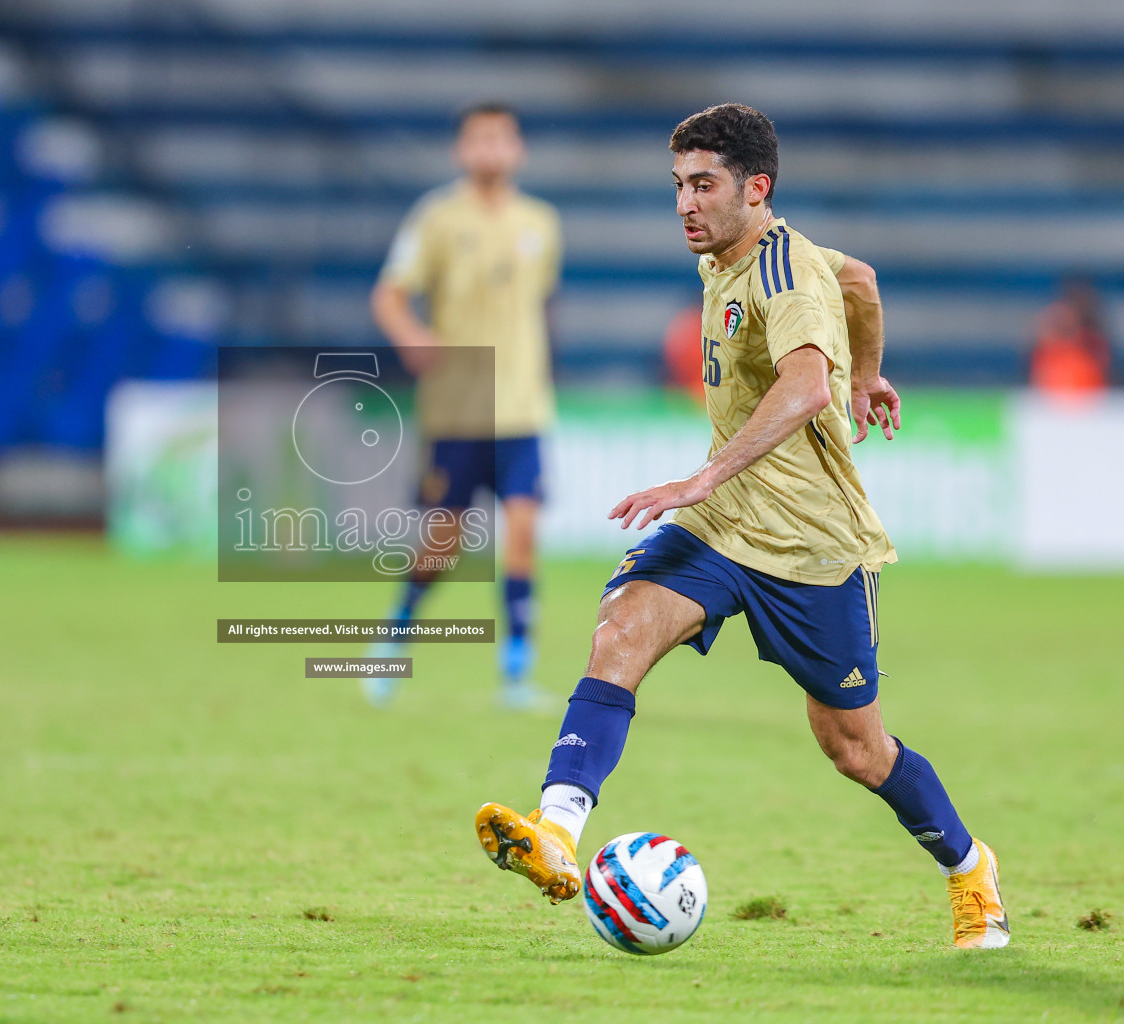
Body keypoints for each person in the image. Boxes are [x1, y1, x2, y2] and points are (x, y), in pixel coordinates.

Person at [472, 104, 1009, 950]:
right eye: (678, 186)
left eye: (703, 185)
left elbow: (800, 388)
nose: (684, 203)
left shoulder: (785, 271)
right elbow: (862, 278)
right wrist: (869, 372)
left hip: (812, 547)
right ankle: (556, 830)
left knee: (855, 749)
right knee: (619, 631)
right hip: (723, 527)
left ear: (756, 191)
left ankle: (970, 867)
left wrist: (703, 474)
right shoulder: (731, 255)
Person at [367, 101, 562, 710]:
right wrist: (411, 336)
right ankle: (395, 632)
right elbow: (390, 294)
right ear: (461, 150)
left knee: (524, 529)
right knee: (444, 543)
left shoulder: (542, 223)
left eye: (501, 139)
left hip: (524, 408)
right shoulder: (437, 218)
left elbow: (540, 303)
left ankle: (517, 668)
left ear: (517, 149)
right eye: (479, 139)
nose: (490, 150)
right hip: (457, 408)